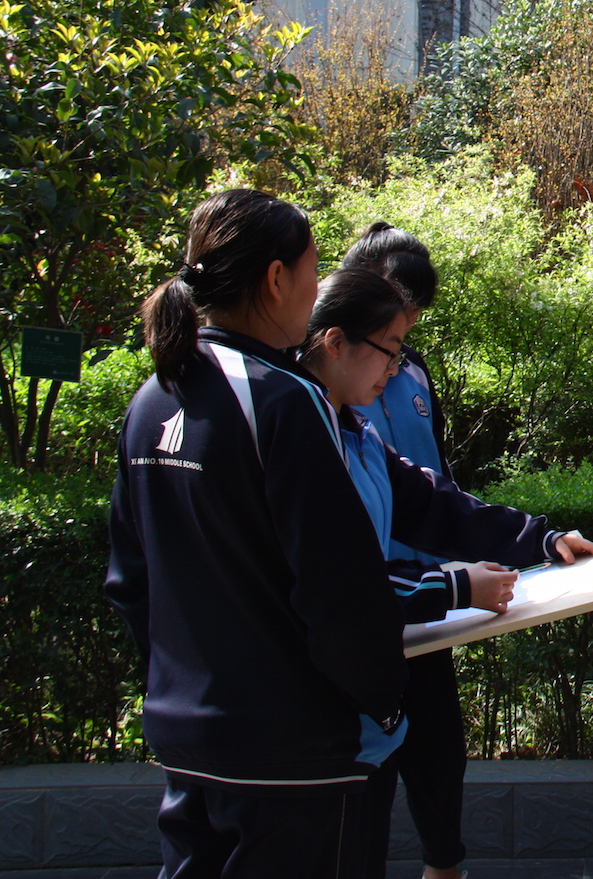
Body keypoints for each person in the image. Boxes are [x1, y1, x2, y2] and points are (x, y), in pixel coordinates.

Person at [105, 188, 410, 878]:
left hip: (186, 738)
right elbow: (338, 589)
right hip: (288, 753)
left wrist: (178, 684)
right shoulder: (282, 398)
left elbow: (131, 581)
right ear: (276, 279)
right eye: (311, 270)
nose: (315, 287)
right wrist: (379, 701)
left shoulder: (152, 397)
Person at [298, 266, 593, 879]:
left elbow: (434, 503)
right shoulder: (298, 436)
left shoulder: (352, 429)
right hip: (321, 714)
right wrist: (457, 586)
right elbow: (331, 582)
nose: (396, 369)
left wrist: (539, 537)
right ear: (334, 343)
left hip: (373, 689)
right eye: (389, 351)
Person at [343, 223, 470, 879]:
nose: (407, 328)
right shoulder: (320, 387)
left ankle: (444, 866)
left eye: (415, 316)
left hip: (429, 598)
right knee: (366, 767)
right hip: (365, 604)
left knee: (440, 750)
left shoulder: (414, 371)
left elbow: (435, 485)